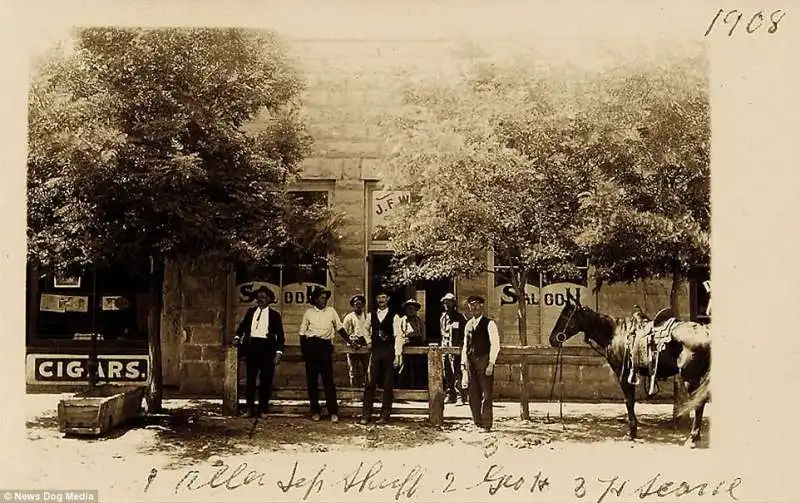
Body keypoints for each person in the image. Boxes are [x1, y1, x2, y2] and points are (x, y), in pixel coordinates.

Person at [298, 286, 353, 422]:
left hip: (325, 347)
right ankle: (315, 411)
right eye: (322, 298)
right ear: (315, 299)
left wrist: (350, 341)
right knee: (312, 381)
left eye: (325, 298)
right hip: (311, 346)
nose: (324, 301)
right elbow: (302, 333)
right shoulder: (308, 313)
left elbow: (339, 327)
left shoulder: (331, 311)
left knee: (328, 380)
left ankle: (333, 412)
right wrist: (305, 352)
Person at [233, 286, 285, 418]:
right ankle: (249, 408)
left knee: (265, 380)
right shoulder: (251, 312)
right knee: (250, 380)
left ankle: (263, 409)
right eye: (259, 297)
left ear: (269, 299)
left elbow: (281, 336)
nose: (260, 300)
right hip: (252, 347)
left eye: (263, 297)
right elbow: (242, 327)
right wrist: (237, 337)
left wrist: (278, 353)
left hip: (267, 349)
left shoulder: (274, 315)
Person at [361, 290, 403, 424]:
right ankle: (366, 415)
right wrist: (368, 341)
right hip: (376, 351)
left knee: (388, 384)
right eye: (379, 297)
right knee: (370, 382)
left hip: (388, 351)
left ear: (388, 299)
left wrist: (397, 354)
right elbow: (364, 329)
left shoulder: (394, 316)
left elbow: (398, 336)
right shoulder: (371, 315)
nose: (381, 300)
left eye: (383, 297)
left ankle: (384, 415)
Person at [461, 295, 500, 432]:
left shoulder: (490, 324)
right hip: (471, 362)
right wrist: (463, 364)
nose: (474, 307)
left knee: (486, 394)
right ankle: (477, 422)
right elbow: (465, 345)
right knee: (473, 394)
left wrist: (491, 363)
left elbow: (495, 345)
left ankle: (486, 424)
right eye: (471, 305)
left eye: (476, 304)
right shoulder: (468, 325)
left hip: (484, 361)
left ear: (482, 306)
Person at [440, 293, 468, 405]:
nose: (447, 304)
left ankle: (460, 396)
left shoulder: (460, 318)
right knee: (447, 372)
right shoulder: (443, 317)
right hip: (445, 348)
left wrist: (461, 346)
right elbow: (443, 333)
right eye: (445, 302)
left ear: (454, 303)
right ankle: (450, 394)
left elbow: (465, 334)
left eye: (449, 302)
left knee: (457, 372)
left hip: (457, 349)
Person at [396, 298, 427, 389]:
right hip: (405, 346)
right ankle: (403, 388)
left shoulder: (419, 321)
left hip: (417, 346)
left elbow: (423, 334)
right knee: (405, 368)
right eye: (409, 308)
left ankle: (418, 387)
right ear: (405, 310)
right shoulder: (402, 320)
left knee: (418, 367)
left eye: (412, 308)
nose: (410, 310)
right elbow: (399, 334)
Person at [343, 293, 371, 387]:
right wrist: (351, 342)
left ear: (363, 305)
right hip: (352, 345)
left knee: (367, 369)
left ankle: (367, 392)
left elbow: (371, 331)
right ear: (353, 305)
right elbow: (344, 333)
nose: (358, 306)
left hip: (364, 345)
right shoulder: (349, 317)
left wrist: (368, 342)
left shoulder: (368, 317)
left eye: (360, 303)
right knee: (353, 370)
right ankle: (353, 393)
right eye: (356, 304)